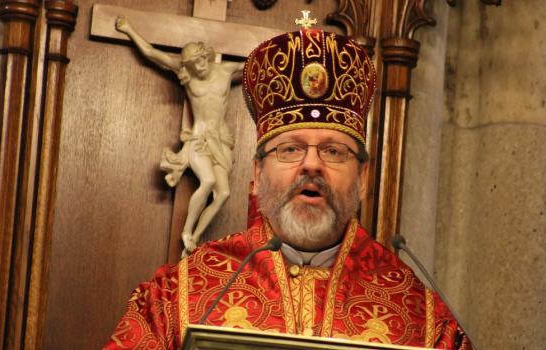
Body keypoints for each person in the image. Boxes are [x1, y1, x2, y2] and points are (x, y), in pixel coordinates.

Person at [104, 23, 472, 350]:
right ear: (258, 173)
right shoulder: (177, 296)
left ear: (362, 178)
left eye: (333, 150)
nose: (311, 164)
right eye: (290, 149)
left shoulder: (422, 318)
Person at [116, 16, 244, 255]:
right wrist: (128, 29)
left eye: (201, 61)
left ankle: (194, 238)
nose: (200, 67)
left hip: (220, 140)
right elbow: (152, 53)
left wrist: (290, 52)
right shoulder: (187, 73)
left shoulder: (227, 70)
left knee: (223, 193)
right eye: (194, 65)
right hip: (197, 139)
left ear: (207, 56)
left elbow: (259, 63)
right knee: (207, 181)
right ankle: (186, 232)